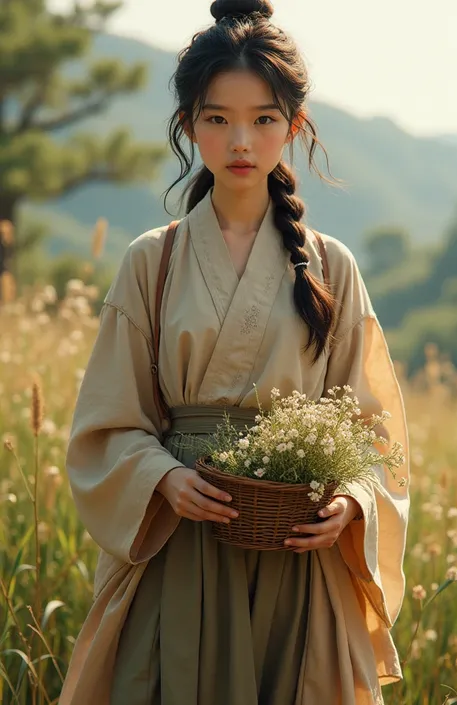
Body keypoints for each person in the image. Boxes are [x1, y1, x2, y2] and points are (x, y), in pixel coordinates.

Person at [59, 1, 410, 703]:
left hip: (296, 558)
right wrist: (161, 476)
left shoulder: (331, 267)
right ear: (189, 125)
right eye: (217, 118)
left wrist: (349, 499)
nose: (240, 139)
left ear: (294, 126)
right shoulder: (150, 262)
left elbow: (374, 433)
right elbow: (105, 423)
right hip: (181, 543)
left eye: (263, 119)